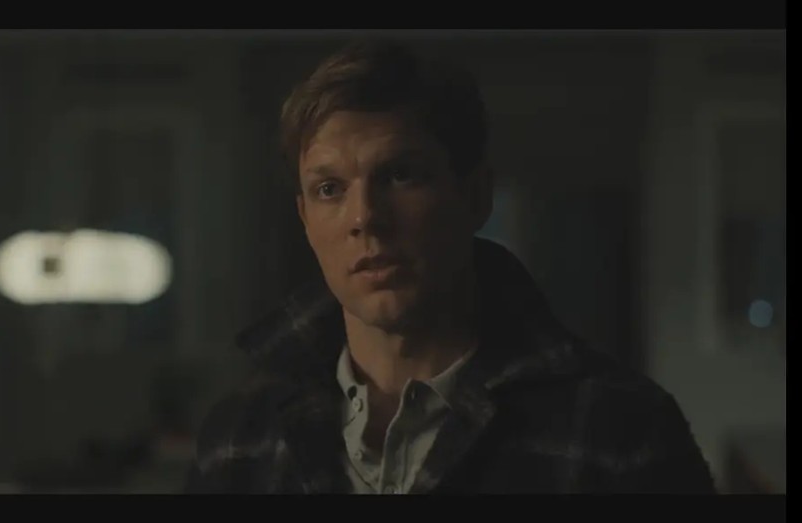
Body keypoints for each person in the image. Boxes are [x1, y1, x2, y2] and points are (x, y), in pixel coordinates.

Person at [184, 40, 716, 494]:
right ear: (304, 218)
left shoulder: (619, 430)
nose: (365, 217)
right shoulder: (241, 434)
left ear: (475, 196)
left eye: (400, 175)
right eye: (329, 189)